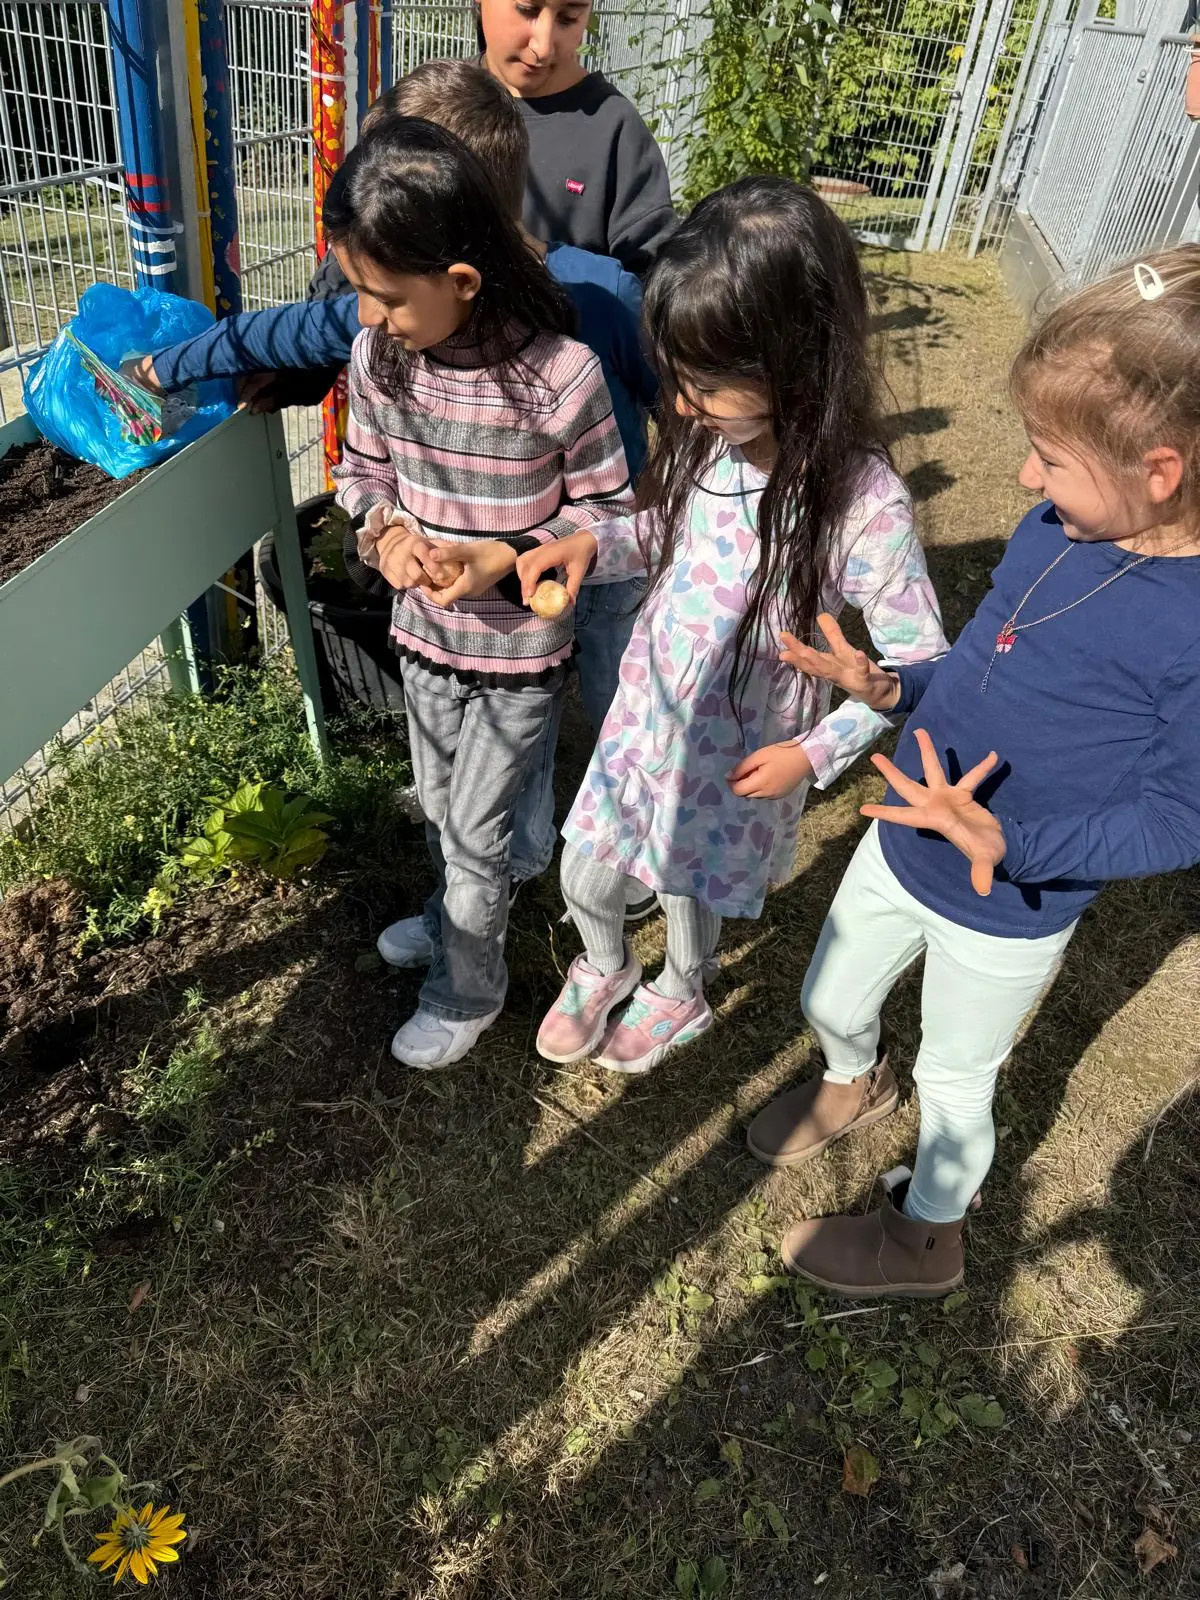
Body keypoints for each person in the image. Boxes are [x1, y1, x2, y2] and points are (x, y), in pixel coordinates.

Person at [747, 248, 1200, 1299]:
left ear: (1159, 472)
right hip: (905, 835)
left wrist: (1016, 844)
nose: (1026, 479)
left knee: (955, 1079)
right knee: (829, 994)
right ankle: (852, 1082)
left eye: (1049, 457)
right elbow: (985, 660)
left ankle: (926, 1242)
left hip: (1008, 904)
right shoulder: (1055, 528)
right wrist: (892, 686)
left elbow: (1180, 816)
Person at [445, 177, 947, 1073]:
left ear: (797, 360)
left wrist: (816, 753)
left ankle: (682, 987)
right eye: (678, 377)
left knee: (689, 882)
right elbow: (663, 535)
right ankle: (604, 964)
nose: (680, 405)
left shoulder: (861, 501)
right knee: (586, 869)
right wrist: (587, 543)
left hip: (742, 747)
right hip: (647, 716)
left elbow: (918, 665)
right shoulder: (713, 439)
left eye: (707, 385)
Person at [134, 59, 657, 902]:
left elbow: (673, 399)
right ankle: (511, 866)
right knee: (523, 708)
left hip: (601, 546)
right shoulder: (400, 309)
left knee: (616, 702)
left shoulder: (599, 299)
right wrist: (172, 365)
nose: (368, 308)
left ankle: (627, 854)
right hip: (494, 580)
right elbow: (282, 334)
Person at [327, 117, 632, 1069]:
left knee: (471, 828)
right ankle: (452, 910)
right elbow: (359, 473)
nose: (368, 316)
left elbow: (614, 514)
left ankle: (466, 992)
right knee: (439, 803)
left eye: (386, 297)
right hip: (422, 641)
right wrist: (386, 536)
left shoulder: (561, 378)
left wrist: (508, 557)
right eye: (358, 292)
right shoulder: (379, 359)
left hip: (518, 660)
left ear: (462, 280)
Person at [475, 0, 676, 275]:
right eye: (527, 9)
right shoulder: (432, 102)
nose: (542, 48)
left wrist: (546, 260)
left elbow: (653, 285)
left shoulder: (615, 130)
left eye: (568, 18)